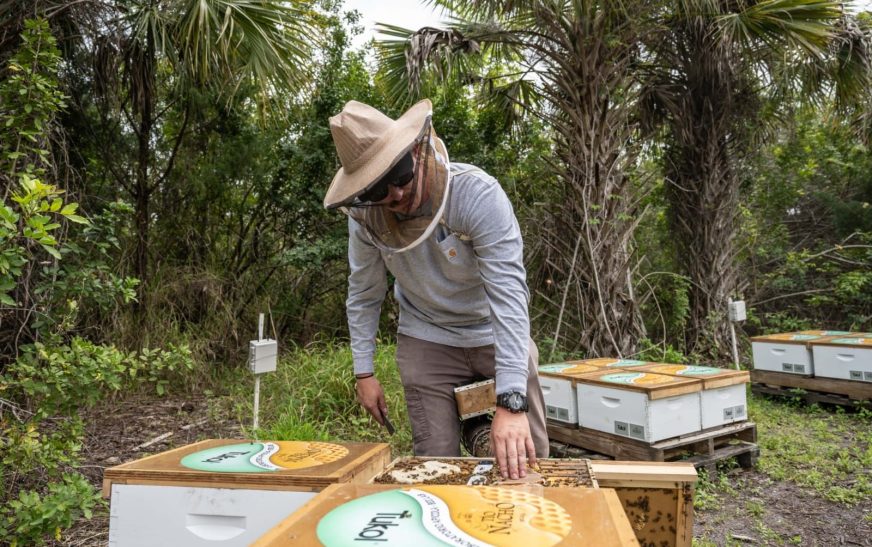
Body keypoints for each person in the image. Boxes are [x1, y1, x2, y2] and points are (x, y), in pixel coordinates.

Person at [324, 98, 549, 479]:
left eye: (400, 176)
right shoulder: (364, 220)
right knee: (436, 467)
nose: (394, 195)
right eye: (378, 190)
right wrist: (364, 373)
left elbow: (509, 294)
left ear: (417, 152)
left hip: (492, 330)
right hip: (426, 335)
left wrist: (511, 402)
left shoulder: (476, 195)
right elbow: (364, 292)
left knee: (528, 459)